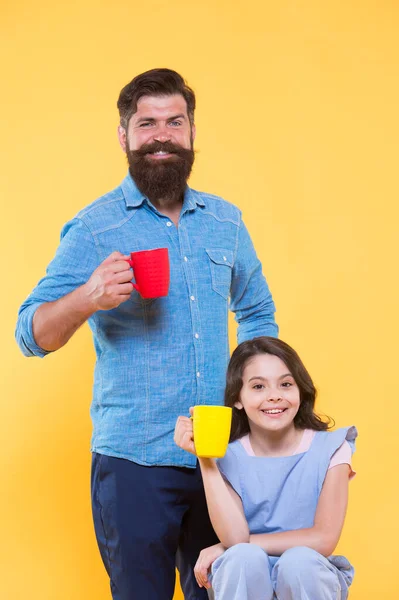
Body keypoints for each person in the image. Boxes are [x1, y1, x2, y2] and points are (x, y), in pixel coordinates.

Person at [15, 69, 278, 600]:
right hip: (133, 462)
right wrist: (88, 296)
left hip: (219, 460)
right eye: (147, 123)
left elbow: (258, 315)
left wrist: (253, 408)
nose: (162, 135)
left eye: (174, 122)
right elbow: (30, 333)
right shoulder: (96, 227)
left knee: (228, 591)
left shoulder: (225, 222)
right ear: (124, 136)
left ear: (192, 131)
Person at [174, 336, 357, 600]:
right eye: (258, 386)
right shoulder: (228, 455)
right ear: (238, 398)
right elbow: (236, 539)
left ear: (300, 391)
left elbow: (324, 539)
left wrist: (222, 548)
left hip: (309, 576)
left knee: (299, 562)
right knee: (242, 558)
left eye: (285, 384)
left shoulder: (332, 448)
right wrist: (206, 458)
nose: (274, 396)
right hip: (244, 577)